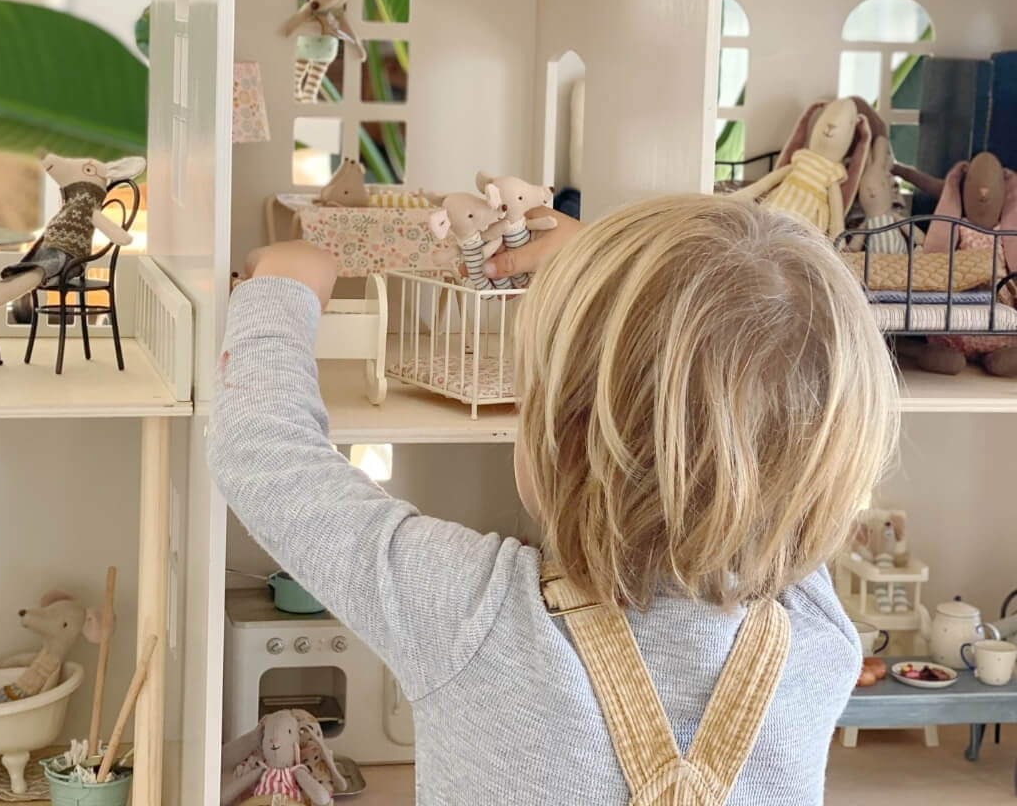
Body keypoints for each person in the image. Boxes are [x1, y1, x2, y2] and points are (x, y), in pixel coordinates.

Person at [209, 195, 898, 804]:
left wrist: (280, 290)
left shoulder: (471, 614)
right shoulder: (818, 636)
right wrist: (614, 277)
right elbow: (766, 425)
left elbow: (265, 453)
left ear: (558, 445)